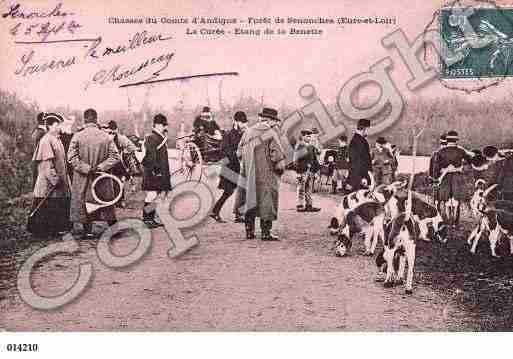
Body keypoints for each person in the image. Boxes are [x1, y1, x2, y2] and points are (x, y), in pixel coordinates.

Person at [68, 109, 121, 238]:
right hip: (102, 177)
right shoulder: (106, 136)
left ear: (84, 120)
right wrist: (101, 167)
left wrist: (86, 168)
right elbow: (115, 156)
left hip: (83, 177)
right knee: (105, 201)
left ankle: (88, 231)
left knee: (84, 200)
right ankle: (114, 230)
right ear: (96, 120)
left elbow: (71, 158)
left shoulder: (77, 136)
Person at [237, 107, 286, 240]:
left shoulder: (247, 132)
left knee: (249, 200)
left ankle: (249, 231)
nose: (276, 124)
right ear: (269, 120)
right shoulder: (271, 133)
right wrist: (280, 170)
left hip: (248, 174)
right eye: (275, 121)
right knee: (267, 201)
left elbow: (239, 153)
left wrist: (247, 164)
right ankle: (265, 232)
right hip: (266, 174)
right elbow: (277, 156)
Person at [27, 113, 72, 238]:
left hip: (57, 182)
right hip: (48, 183)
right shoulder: (46, 140)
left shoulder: (56, 139)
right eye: (59, 125)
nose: (60, 127)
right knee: (46, 205)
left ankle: (55, 229)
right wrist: (55, 180)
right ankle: (42, 231)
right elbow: (47, 165)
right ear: (53, 125)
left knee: (55, 205)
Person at [210, 111, 249, 223]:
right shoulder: (228, 134)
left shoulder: (244, 134)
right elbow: (224, 151)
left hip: (238, 167)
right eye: (242, 122)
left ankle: (235, 214)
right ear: (235, 122)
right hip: (229, 167)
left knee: (237, 191)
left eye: (244, 122)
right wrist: (236, 157)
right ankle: (218, 212)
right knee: (229, 191)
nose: (243, 125)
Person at [434, 130, 475, 225]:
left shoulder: (440, 152)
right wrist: (459, 168)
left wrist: (444, 171)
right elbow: (470, 162)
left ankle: (447, 222)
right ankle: (455, 223)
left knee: (446, 201)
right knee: (457, 201)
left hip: (444, 179)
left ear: (447, 141)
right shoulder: (461, 151)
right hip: (457, 179)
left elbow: (436, 170)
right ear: (456, 141)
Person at [141, 114, 172, 228]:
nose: (165, 128)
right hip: (153, 172)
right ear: (158, 125)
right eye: (164, 125)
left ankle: (150, 218)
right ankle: (146, 219)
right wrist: (156, 171)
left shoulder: (158, 137)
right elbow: (150, 157)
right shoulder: (152, 137)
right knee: (151, 195)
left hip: (158, 172)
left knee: (156, 196)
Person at [102, 120, 139, 208]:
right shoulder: (105, 137)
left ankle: (119, 200)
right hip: (108, 163)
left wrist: (124, 152)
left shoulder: (120, 138)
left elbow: (132, 147)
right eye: (109, 132)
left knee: (118, 182)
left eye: (112, 132)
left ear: (116, 130)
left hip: (117, 164)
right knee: (109, 182)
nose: (110, 134)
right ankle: (111, 201)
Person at [293, 129, 321, 212]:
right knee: (301, 188)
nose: (309, 138)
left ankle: (309, 205)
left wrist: (316, 171)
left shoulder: (311, 147)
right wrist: (298, 172)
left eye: (309, 136)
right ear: (303, 136)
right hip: (302, 171)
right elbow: (295, 160)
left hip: (310, 171)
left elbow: (314, 159)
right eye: (307, 136)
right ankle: (300, 205)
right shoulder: (300, 146)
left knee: (308, 188)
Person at [347, 119, 372, 192]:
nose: (369, 132)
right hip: (360, 177)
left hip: (357, 176)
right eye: (368, 129)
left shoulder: (356, 140)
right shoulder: (360, 141)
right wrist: (363, 177)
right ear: (364, 128)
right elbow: (359, 161)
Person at [30, 112, 47, 188]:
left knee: (35, 180)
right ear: (44, 120)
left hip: (34, 159)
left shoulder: (35, 131)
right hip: (41, 160)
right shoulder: (43, 133)